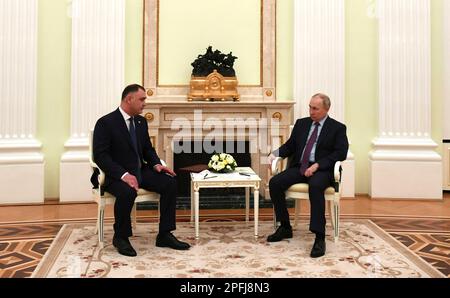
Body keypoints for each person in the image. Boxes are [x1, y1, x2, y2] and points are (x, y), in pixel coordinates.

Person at [91, 84, 190, 257]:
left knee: (170, 183)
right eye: (142, 99)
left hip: (140, 171)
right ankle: (120, 237)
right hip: (115, 175)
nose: (145, 103)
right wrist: (124, 175)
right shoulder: (106, 123)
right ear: (129, 99)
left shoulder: (140, 121)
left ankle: (165, 234)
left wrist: (156, 164)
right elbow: (101, 157)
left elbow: (147, 150)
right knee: (127, 192)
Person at [267, 93, 348, 258]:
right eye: (310, 107)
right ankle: (285, 227)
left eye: (315, 108)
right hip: (301, 167)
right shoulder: (302, 123)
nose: (311, 111)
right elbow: (290, 145)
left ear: (326, 109)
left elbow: (341, 153)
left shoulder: (337, 128)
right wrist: (274, 153)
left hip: (322, 170)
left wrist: (318, 165)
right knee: (275, 183)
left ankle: (319, 237)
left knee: (316, 186)